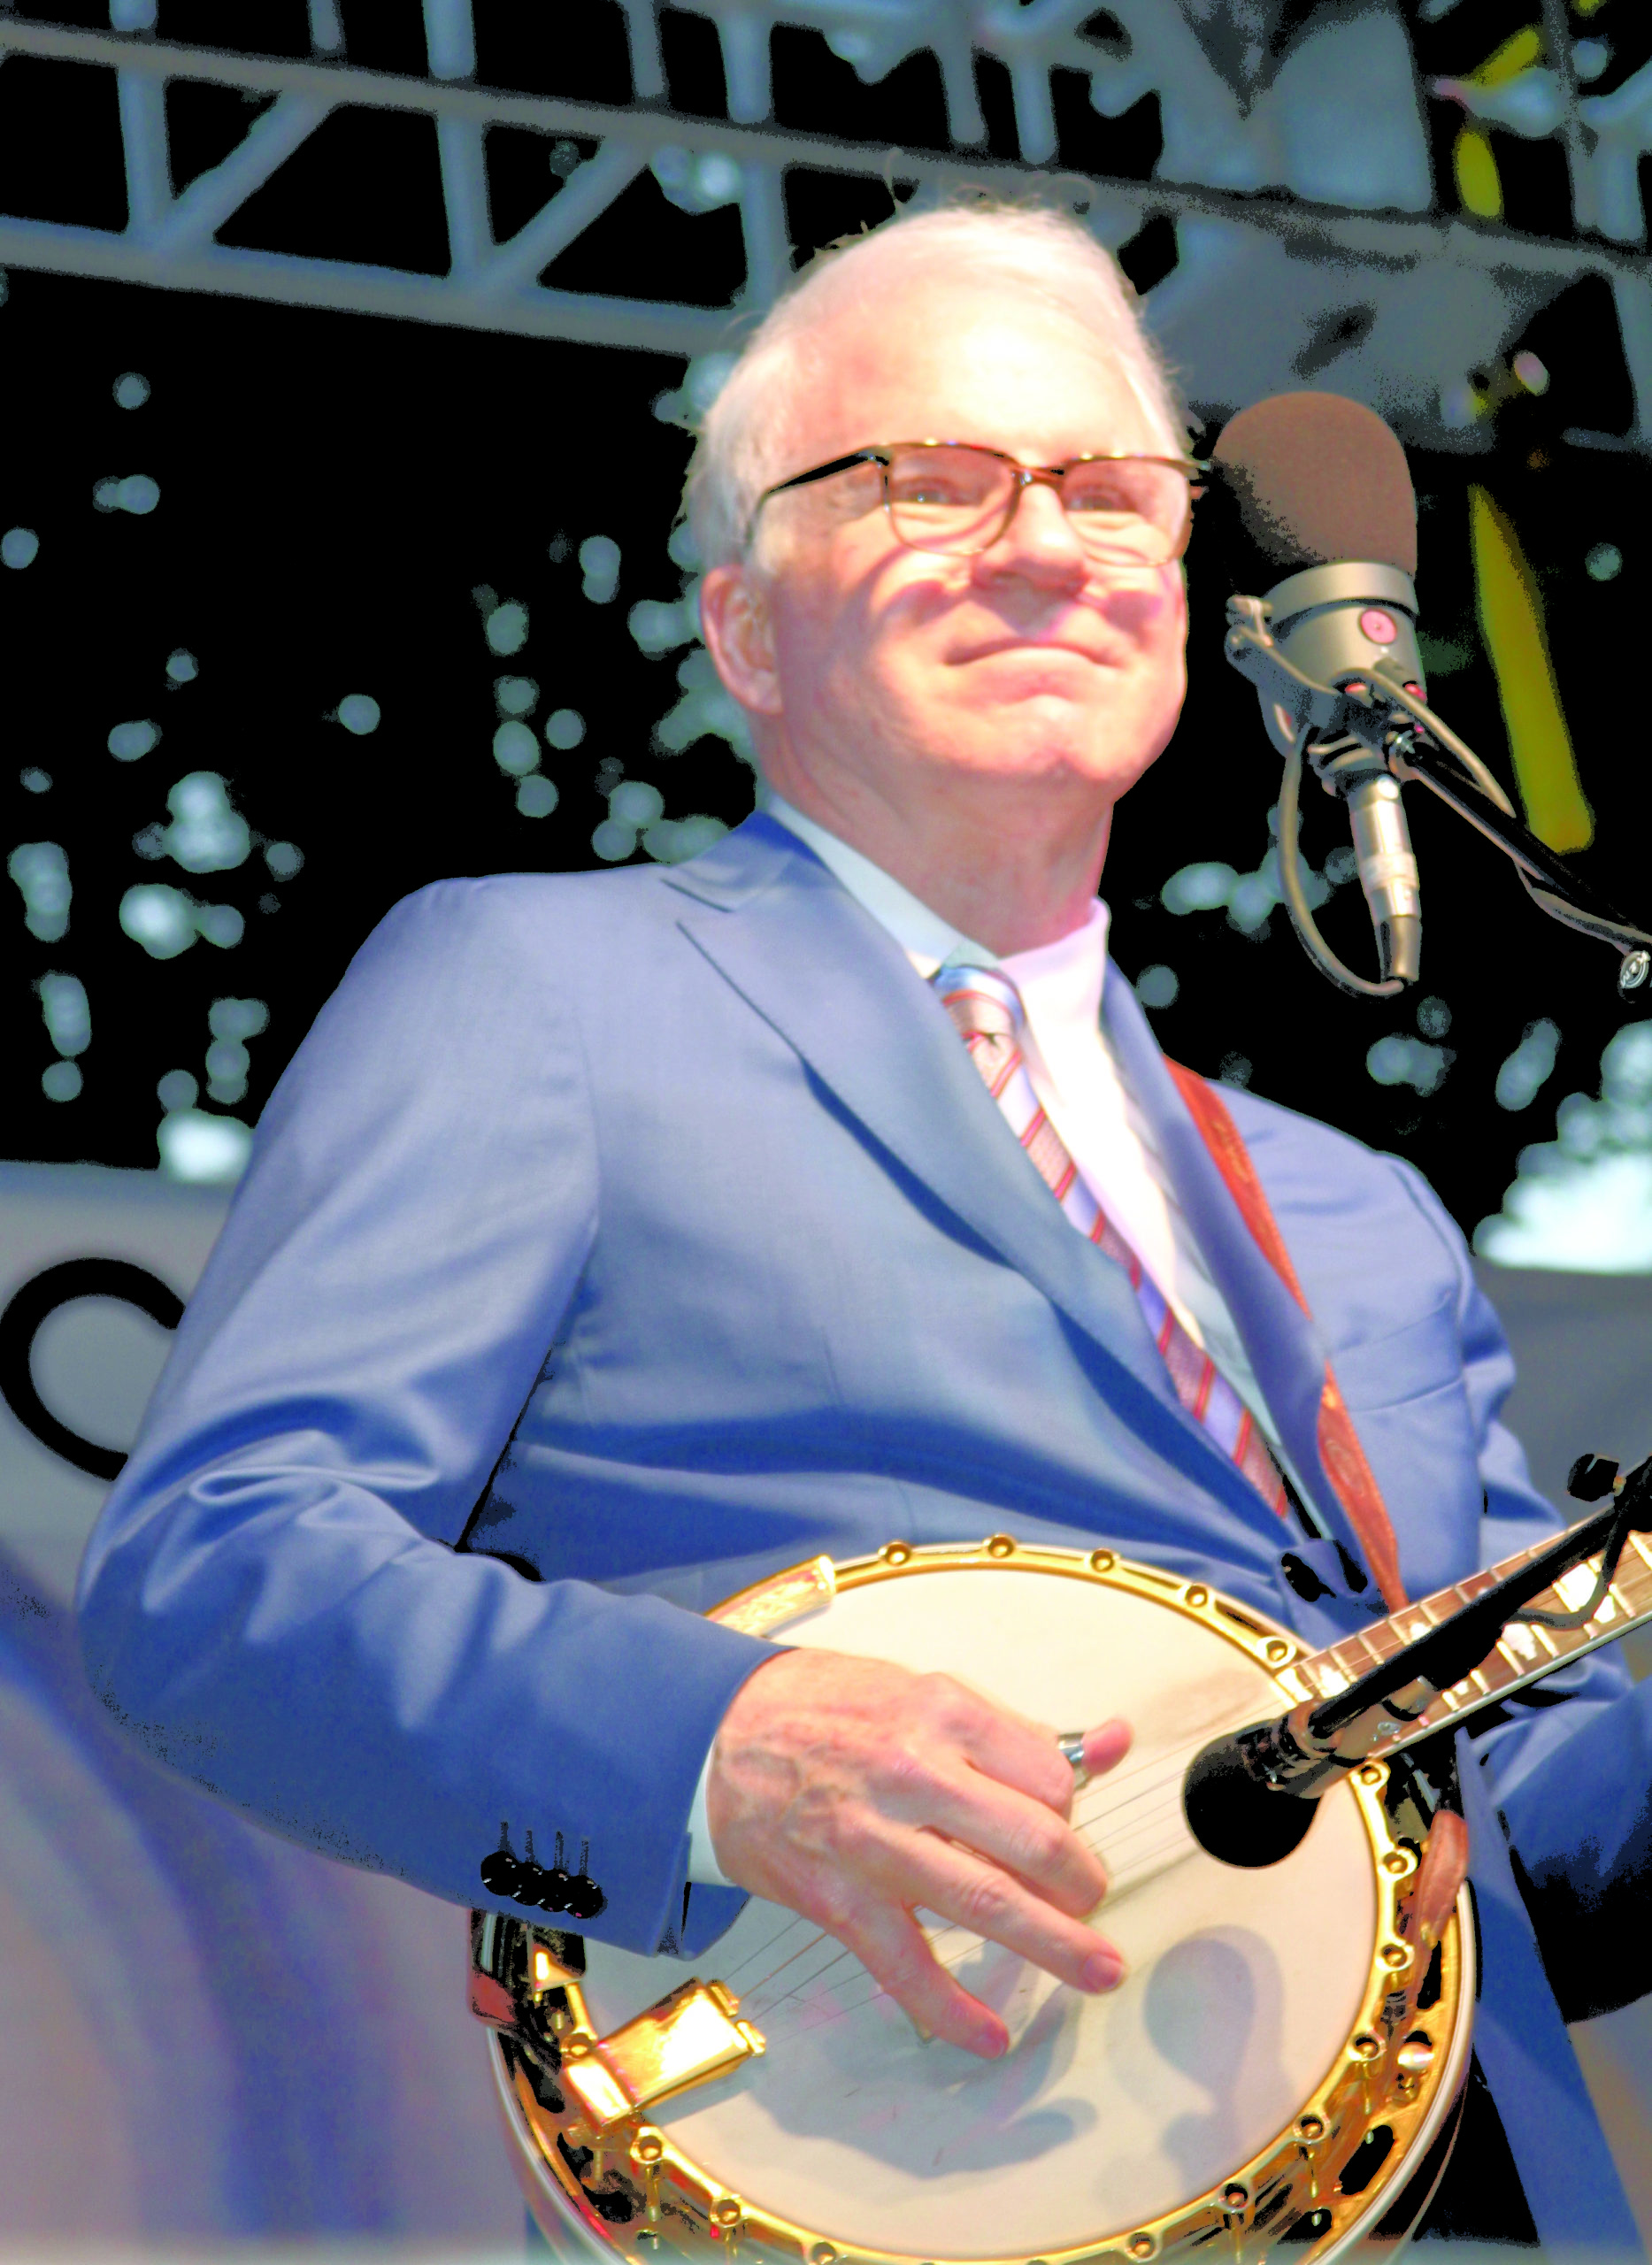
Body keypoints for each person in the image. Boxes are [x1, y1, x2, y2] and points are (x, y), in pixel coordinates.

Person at [78, 203, 1650, 2250]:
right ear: (746, 628)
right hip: (886, 2172)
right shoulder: (537, 989)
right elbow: (213, 1572)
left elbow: (1528, 1817)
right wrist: (717, 1746)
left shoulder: (1365, 1219)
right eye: (930, 479)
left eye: (1111, 488)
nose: (1044, 544)